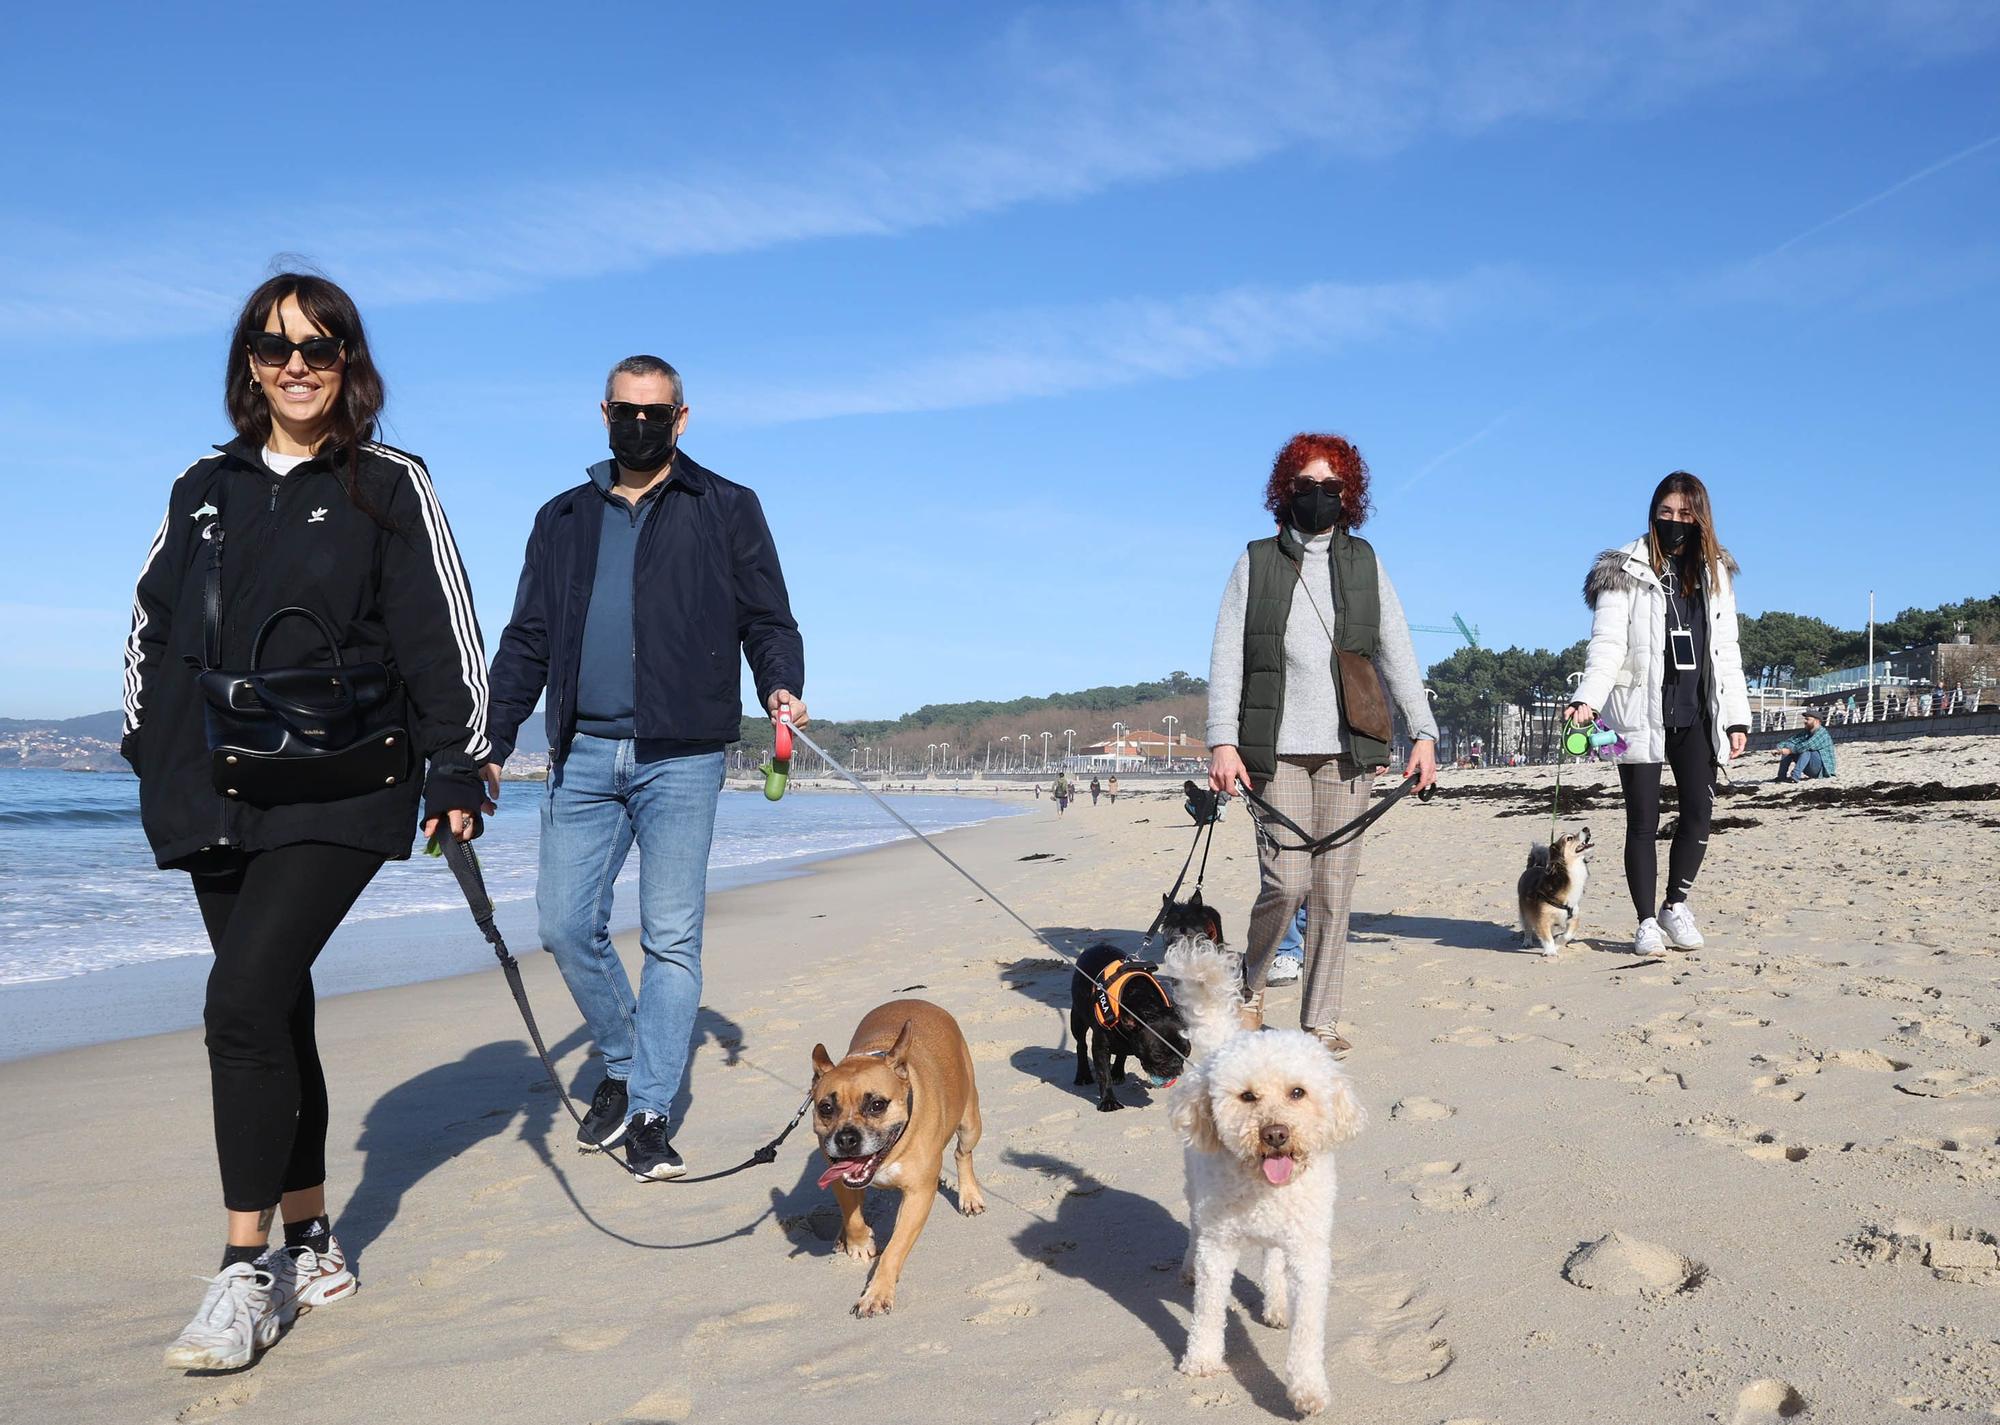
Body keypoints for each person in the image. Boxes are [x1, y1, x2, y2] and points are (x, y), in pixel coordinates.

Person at [124, 274, 492, 1370]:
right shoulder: (202, 485)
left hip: (342, 783)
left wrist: (457, 768)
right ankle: (314, 1232)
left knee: (236, 1003)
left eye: (319, 347)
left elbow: (441, 631)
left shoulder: (389, 483)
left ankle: (246, 1276)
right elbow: (147, 624)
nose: (296, 363)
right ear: (247, 361)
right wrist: (153, 754)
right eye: (274, 344)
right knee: (273, 1011)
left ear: (349, 362)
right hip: (212, 785)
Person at [485, 355, 805, 1182]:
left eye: (653, 412)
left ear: (681, 418)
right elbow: (525, 638)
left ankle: (652, 1107)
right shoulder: (561, 517)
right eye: (624, 411)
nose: (638, 423)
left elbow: (769, 617)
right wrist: (491, 736)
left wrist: (780, 684)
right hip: (580, 752)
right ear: (603, 413)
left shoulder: (727, 507)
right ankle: (625, 1064)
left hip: (683, 755)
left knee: (671, 939)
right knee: (563, 924)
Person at [1206, 433, 1439, 1056]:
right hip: (1273, 750)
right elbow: (1228, 656)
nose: (1319, 497)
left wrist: (1424, 732)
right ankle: (1249, 989)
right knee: (1285, 882)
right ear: (1287, 491)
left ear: (1349, 495)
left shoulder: (1365, 562)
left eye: (1331, 487)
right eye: (1306, 486)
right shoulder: (1254, 561)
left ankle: (1320, 1021)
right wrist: (1221, 743)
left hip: (1350, 750)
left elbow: (1397, 650)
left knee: (1335, 889)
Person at [1568, 471, 1750, 957]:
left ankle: (1675, 904)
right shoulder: (1622, 568)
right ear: (1653, 514)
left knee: (1698, 813)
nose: (1675, 522)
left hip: (1697, 711)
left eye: (1685, 514)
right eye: (1665, 513)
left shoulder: (1715, 573)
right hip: (1637, 711)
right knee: (1642, 821)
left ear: (1701, 517)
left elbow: (1726, 649)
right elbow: (1606, 644)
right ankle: (1646, 921)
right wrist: (1588, 697)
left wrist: (1736, 717)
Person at [1774, 710, 1837, 781]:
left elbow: (1808, 745)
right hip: (1810, 768)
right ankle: (1781, 777)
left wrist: (1789, 751)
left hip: (1822, 770)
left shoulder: (1822, 733)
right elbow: (1791, 740)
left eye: (1807, 719)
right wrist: (1779, 748)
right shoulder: (1806, 732)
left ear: (1816, 721)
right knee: (1789, 745)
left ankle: (1795, 776)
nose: (1805, 721)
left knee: (1805, 750)